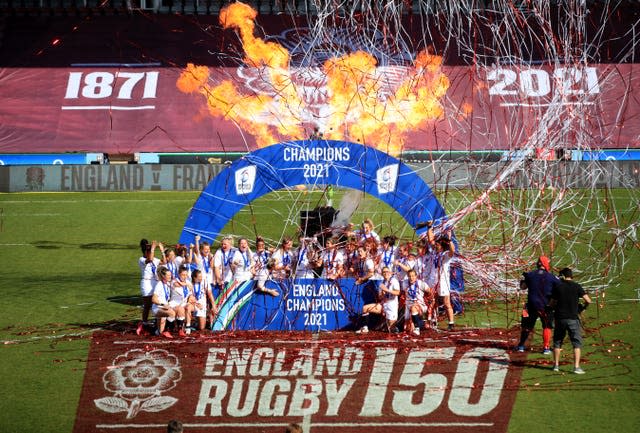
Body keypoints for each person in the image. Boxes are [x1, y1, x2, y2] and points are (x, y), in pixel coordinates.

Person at [549, 267, 592, 373]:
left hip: (560, 318)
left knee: (557, 342)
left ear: (563, 276)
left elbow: (551, 303)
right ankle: (576, 367)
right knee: (576, 343)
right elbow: (588, 300)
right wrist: (583, 308)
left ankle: (556, 365)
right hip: (573, 318)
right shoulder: (577, 286)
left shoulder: (558, 287)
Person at [516, 256, 560, 353]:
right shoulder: (552, 277)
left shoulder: (530, 275)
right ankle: (546, 348)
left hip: (530, 305)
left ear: (538, 264)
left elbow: (522, 287)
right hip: (545, 306)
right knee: (547, 326)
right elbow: (559, 289)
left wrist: (523, 278)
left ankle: (521, 346)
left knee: (526, 326)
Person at [356, 267, 401, 333]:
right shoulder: (382, 283)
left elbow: (397, 292)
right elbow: (380, 297)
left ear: (390, 273)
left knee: (391, 328)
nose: (386, 273)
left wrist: (387, 290)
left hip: (392, 304)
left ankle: (394, 328)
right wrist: (382, 294)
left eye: (387, 271)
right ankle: (365, 328)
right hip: (383, 304)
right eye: (384, 272)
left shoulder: (394, 281)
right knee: (365, 308)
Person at [434, 234, 456, 331]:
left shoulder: (446, 255)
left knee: (446, 302)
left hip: (444, 282)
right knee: (433, 301)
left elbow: (452, 251)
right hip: (436, 281)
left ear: (442, 246)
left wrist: (449, 241)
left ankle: (451, 323)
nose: (436, 246)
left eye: (437, 245)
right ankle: (433, 321)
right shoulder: (436, 254)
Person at [404, 269, 431, 336]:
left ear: (416, 276)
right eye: (409, 276)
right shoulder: (404, 283)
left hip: (420, 305)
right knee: (407, 328)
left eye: (413, 276)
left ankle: (417, 328)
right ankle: (422, 324)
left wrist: (428, 301)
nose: (411, 278)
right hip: (408, 305)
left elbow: (430, 292)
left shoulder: (421, 283)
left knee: (414, 308)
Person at [152, 266, 177, 338]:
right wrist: (162, 304)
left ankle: (159, 331)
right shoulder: (159, 285)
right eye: (168, 275)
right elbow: (153, 299)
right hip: (157, 308)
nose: (170, 276)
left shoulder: (167, 284)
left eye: (170, 275)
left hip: (164, 307)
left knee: (159, 332)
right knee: (171, 313)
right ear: (163, 276)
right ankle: (167, 331)